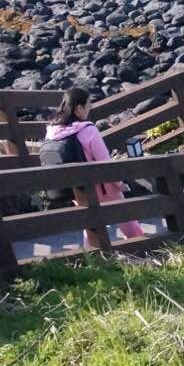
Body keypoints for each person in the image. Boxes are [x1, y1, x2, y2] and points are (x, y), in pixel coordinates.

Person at [42, 87, 146, 246]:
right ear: (78, 108)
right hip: (101, 187)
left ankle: (94, 260)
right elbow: (105, 164)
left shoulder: (51, 131)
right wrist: (119, 184)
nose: (89, 110)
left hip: (75, 188)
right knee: (126, 219)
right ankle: (141, 248)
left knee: (90, 225)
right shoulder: (88, 130)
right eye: (88, 106)